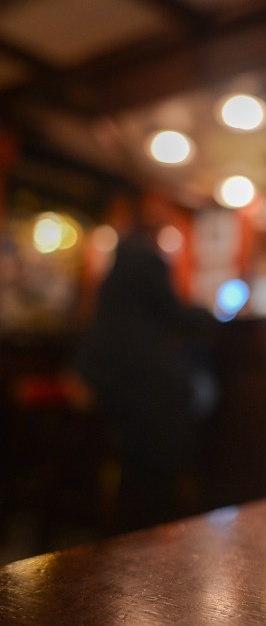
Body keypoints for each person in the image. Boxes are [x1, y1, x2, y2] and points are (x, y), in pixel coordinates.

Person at [74, 220, 218, 531]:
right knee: (188, 393)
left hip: (97, 370)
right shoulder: (150, 261)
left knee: (143, 421)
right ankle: (165, 504)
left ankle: (128, 491)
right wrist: (210, 316)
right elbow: (175, 311)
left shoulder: (115, 268)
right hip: (132, 375)